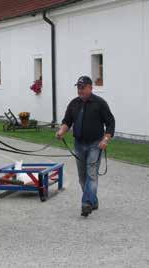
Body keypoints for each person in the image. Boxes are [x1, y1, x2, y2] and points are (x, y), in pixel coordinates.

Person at [56, 76, 115, 217]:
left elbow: (111, 123)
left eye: (83, 87)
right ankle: (92, 201)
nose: (80, 90)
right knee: (82, 178)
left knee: (92, 174)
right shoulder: (73, 104)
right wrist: (61, 131)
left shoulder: (100, 103)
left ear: (90, 87)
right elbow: (67, 122)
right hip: (79, 144)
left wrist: (106, 139)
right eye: (78, 87)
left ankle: (86, 203)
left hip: (96, 144)